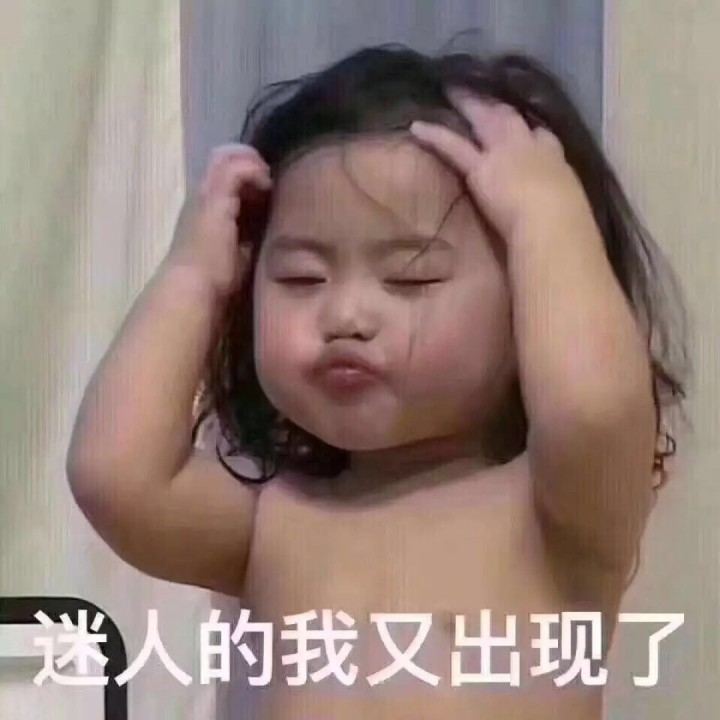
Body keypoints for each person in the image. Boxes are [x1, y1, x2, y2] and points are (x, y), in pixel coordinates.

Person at [66, 43, 687, 718]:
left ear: (528, 312)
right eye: (302, 277)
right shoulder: (273, 524)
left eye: (410, 278)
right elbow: (114, 475)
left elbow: (593, 407)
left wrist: (548, 218)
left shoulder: (561, 513)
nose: (345, 316)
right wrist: (192, 276)